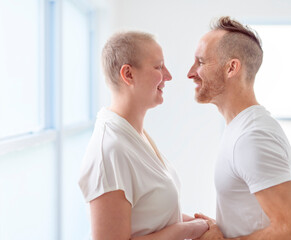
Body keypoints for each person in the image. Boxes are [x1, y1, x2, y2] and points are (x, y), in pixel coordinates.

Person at [187, 17, 291, 240]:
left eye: (201, 62)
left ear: (231, 68)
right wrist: (223, 228)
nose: (190, 73)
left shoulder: (253, 136)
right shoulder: (240, 129)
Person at [78, 31, 208, 240]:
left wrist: (202, 225)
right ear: (128, 74)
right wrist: (189, 230)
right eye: (158, 67)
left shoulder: (134, 134)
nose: (168, 76)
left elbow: (150, 215)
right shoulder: (110, 151)